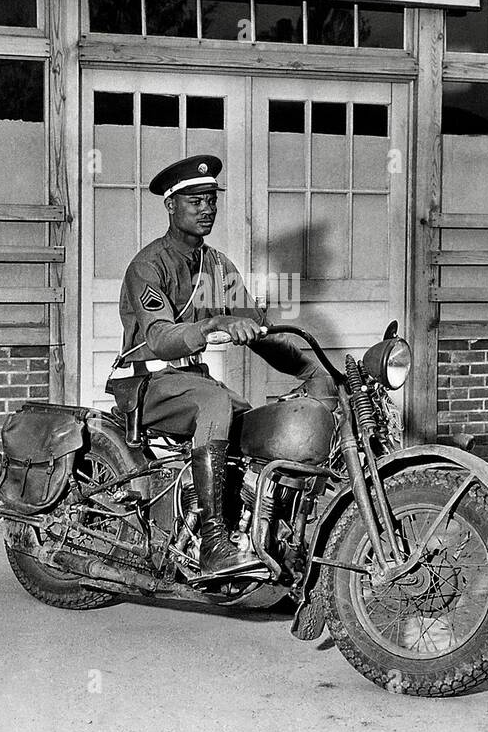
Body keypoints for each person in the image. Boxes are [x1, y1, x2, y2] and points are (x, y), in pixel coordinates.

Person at [109, 154, 333, 579]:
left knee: (253, 422)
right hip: (145, 380)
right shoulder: (148, 265)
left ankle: (255, 532)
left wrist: (314, 371)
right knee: (215, 404)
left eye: (211, 200)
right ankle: (214, 543)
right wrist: (214, 323)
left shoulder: (218, 267)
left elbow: (260, 330)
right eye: (195, 201)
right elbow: (159, 338)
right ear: (171, 205)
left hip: (188, 380)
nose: (206, 208)